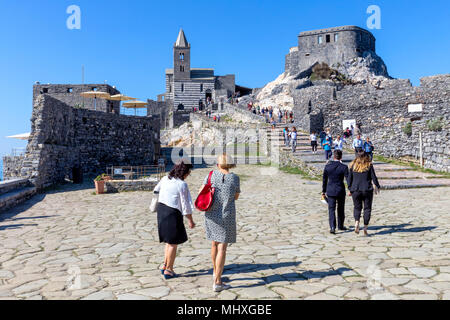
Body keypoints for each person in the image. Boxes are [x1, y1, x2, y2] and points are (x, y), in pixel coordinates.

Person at [200, 154, 241, 292]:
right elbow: (236, 196)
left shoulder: (210, 175)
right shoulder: (235, 178)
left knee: (214, 243)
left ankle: (215, 271)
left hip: (211, 214)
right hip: (226, 215)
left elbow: (201, 191)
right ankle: (218, 281)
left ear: (218, 164)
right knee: (222, 248)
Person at [153, 161, 195, 279]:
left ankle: (165, 265)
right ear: (184, 173)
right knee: (173, 243)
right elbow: (185, 205)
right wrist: (190, 220)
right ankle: (169, 270)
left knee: (168, 241)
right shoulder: (182, 185)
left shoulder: (165, 178)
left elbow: (156, 190)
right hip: (173, 213)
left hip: (161, 210)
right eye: (188, 172)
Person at [347, 152, 381, 236]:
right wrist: (377, 186)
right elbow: (374, 177)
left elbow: (349, 179)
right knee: (367, 208)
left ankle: (357, 222)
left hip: (356, 189)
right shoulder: (369, 165)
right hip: (367, 189)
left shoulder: (352, 165)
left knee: (357, 207)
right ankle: (365, 228)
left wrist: (350, 189)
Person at [322, 150, 349, 234]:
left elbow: (324, 180)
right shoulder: (344, 167)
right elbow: (348, 179)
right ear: (341, 157)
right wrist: (351, 189)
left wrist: (323, 191)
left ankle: (332, 227)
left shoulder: (328, 167)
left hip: (330, 190)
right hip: (340, 189)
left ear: (334, 156)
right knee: (341, 208)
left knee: (331, 209)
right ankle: (340, 225)